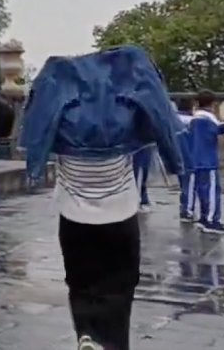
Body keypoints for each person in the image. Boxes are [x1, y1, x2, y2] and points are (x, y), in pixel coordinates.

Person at [21, 46, 183, 350]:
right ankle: (113, 343)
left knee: (80, 284)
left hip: (73, 214)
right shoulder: (120, 121)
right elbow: (157, 115)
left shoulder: (64, 118)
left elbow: (37, 123)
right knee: (121, 286)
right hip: (120, 212)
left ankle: (87, 334)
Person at [187, 90, 224, 234]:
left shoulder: (194, 119)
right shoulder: (208, 119)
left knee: (202, 191)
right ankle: (212, 221)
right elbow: (219, 129)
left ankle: (203, 218)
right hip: (208, 161)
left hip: (196, 160)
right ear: (212, 104)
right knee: (212, 192)